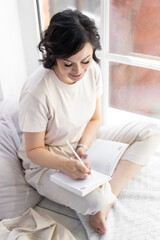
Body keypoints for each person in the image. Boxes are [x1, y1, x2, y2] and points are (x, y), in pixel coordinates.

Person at [18, 9, 160, 235]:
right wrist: (66, 165)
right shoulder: (37, 91)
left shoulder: (91, 71)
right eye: (68, 64)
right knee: (96, 199)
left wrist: (83, 146)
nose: (78, 71)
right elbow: (33, 150)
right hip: (46, 162)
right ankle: (102, 204)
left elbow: (95, 119)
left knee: (151, 131)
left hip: (82, 143)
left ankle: (105, 204)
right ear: (54, 55)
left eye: (84, 60)